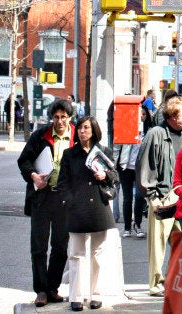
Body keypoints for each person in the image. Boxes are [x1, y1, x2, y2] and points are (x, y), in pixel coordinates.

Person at [17, 99, 76, 307]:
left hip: (64, 200)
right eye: (56, 117)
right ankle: (41, 290)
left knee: (60, 246)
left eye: (63, 117)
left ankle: (53, 288)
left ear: (70, 118)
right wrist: (33, 176)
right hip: (42, 197)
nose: (59, 121)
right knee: (39, 247)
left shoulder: (76, 137)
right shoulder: (40, 136)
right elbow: (23, 160)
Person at [57, 116, 119, 311]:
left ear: (94, 130)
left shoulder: (103, 152)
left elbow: (115, 176)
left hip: (98, 207)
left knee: (97, 254)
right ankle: (75, 296)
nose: (82, 131)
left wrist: (105, 175)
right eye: (81, 128)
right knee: (76, 254)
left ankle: (95, 294)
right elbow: (62, 182)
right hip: (76, 209)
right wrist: (69, 201)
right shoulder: (70, 154)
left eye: (86, 128)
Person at [136, 96, 182, 296]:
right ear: (173, 116)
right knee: (158, 244)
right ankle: (156, 284)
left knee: (181, 242)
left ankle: (174, 280)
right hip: (163, 196)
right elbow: (145, 164)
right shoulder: (156, 133)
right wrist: (153, 195)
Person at [113, 106, 152, 238]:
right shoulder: (126, 130)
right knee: (127, 198)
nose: (141, 116)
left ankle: (138, 225)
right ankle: (127, 227)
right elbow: (117, 147)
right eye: (138, 114)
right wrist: (114, 165)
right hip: (126, 168)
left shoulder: (149, 133)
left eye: (144, 114)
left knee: (140, 197)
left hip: (141, 169)